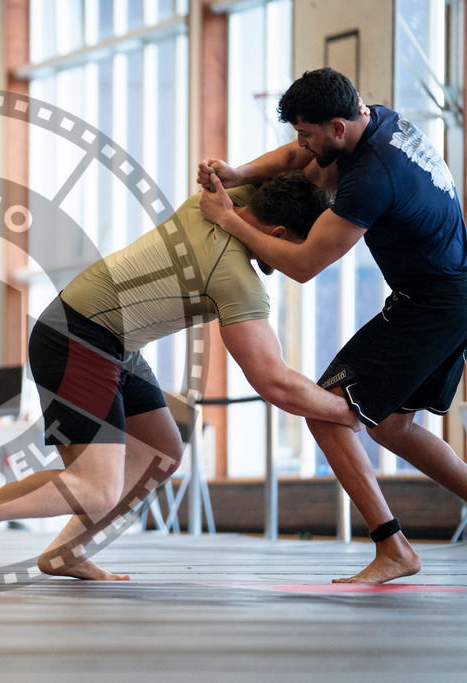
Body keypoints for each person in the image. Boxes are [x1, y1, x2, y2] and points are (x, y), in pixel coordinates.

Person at [0, 171, 361, 582]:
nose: (297, 263)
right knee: (96, 489)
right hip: (77, 337)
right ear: (278, 235)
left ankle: (66, 552)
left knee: (161, 450)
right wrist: (349, 410)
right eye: (298, 250)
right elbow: (274, 381)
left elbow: (298, 159)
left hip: (114, 342)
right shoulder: (234, 278)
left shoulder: (218, 201)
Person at [197, 67, 467, 584]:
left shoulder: (371, 179)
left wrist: (229, 219)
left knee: (326, 407)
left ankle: (394, 548)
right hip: (446, 294)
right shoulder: (378, 121)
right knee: (390, 425)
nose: (300, 144)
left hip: (433, 303)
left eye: (308, 132)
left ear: (339, 126)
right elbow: (300, 158)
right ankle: (398, 547)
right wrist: (238, 174)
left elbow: (301, 266)